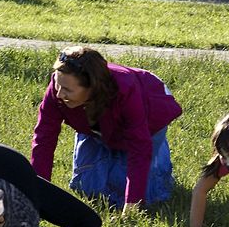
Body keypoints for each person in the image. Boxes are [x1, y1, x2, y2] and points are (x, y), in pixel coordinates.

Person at [31, 46, 182, 209]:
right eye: (57, 84)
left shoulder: (125, 89)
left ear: (92, 87)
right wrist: (38, 193)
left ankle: (159, 156)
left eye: (67, 89)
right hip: (96, 127)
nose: (59, 94)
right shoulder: (59, 86)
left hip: (147, 124)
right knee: (86, 188)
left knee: (140, 192)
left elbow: (139, 148)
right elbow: (44, 139)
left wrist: (131, 206)